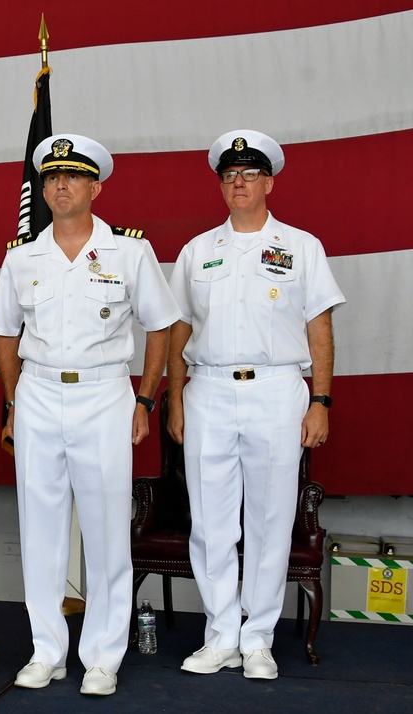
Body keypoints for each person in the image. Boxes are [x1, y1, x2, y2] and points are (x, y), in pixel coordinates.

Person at [0, 134, 180, 697]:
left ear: (96, 186)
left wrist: (145, 400)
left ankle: (101, 656)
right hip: (39, 396)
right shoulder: (22, 257)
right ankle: (46, 650)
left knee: (105, 532)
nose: (60, 186)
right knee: (40, 532)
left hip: (104, 397)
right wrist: (14, 401)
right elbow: (4, 334)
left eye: (72, 176)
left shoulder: (129, 252)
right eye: (51, 178)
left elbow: (161, 325)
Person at [167, 130, 345, 679]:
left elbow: (320, 328)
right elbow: (178, 330)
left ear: (269, 181)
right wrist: (174, 400)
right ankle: (220, 633)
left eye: (248, 174)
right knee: (212, 524)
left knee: (270, 521)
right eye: (229, 175)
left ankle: (259, 636)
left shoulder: (301, 246)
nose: (238, 182)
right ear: (221, 184)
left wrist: (321, 400)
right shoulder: (198, 251)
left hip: (276, 389)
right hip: (210, 391)